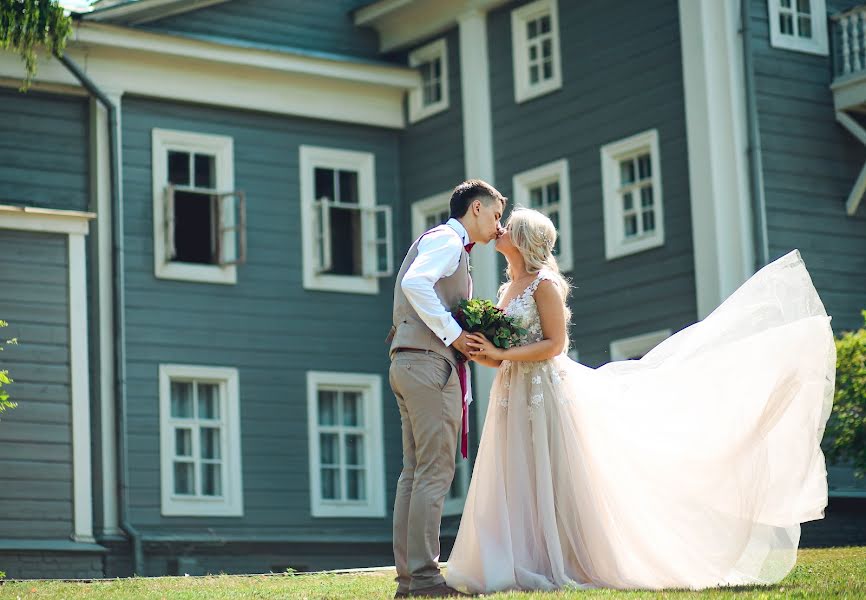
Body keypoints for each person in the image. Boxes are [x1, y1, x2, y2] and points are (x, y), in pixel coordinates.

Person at [445, 207, 835, 593]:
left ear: (524, 238)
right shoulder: (507, 287)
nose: (500, 229)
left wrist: (503, 355)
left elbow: (554, 345)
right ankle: (521, 559)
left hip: (544, 392)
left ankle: (563, 558)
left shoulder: (543, 284)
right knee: (520, 473)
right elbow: (509, 351)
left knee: (553, 473)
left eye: (508, 226)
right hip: (513, 392)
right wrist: (485, 353)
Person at [388, 179, 506, 598]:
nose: (498, 225)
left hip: (406, 360)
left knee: (416, 473)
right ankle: (423, 580)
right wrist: (455, 335)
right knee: (434, 473)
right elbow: (415, 284)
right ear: (475, 209)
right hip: (427, 363)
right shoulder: (448, 242)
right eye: (495, 215)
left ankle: (409, 580)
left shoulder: (440, 242)